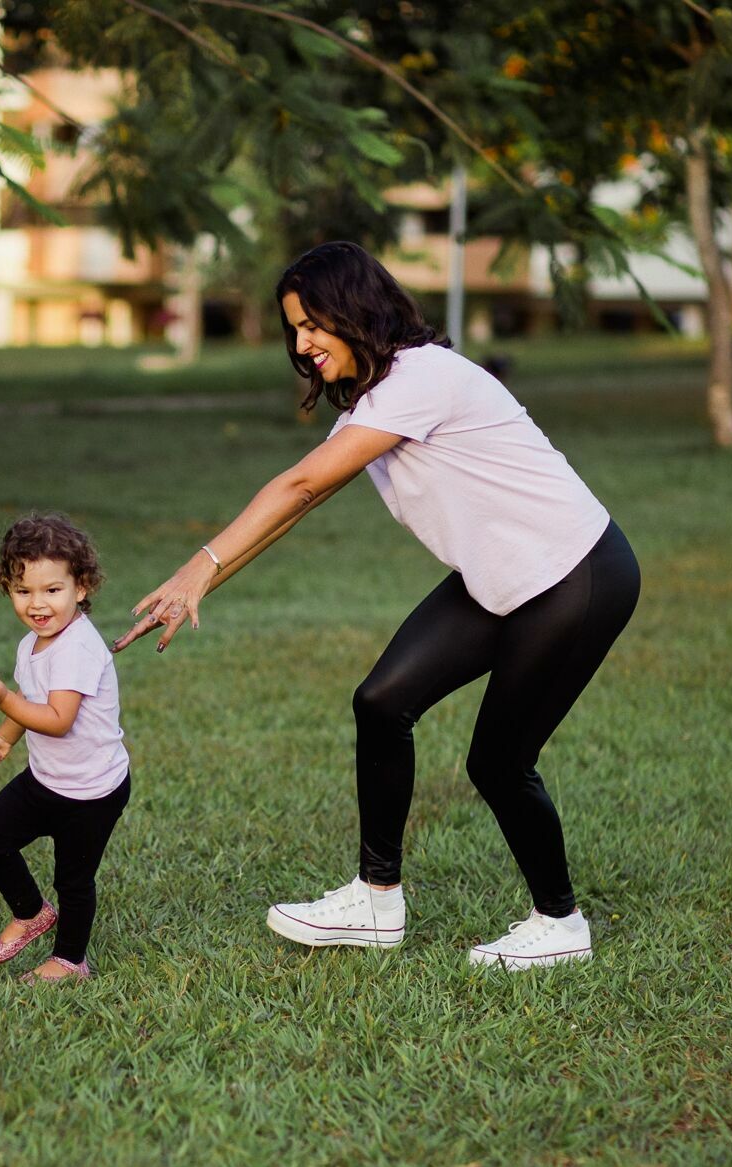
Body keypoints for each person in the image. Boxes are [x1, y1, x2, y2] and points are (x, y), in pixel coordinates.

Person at [113, 242, 640, 970]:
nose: (302, 344)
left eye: (311, 324)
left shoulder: (421, 378)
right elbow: (305, 499)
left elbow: (299, 485)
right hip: (503, 578)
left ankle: (560, 924)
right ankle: (376, 901)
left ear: (352, 309)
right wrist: (203, 581)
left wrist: (198, 566)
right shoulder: (384, 397)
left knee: (498, 762)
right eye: (294, 330)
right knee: (383, 701)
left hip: (574, 575)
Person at [0, 515, 132, 984]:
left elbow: (58, 720)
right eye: (23, 591)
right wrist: (5, 734)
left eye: (52, 590)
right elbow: (33, 699)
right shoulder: (33, 644)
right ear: (7, 589)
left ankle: (70, 961)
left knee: (73, 880)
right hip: (46, 780)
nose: (37, 603)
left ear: (81, 587)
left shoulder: (77, 647)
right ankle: (31, 911)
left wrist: (4, 699)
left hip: (92, 791)